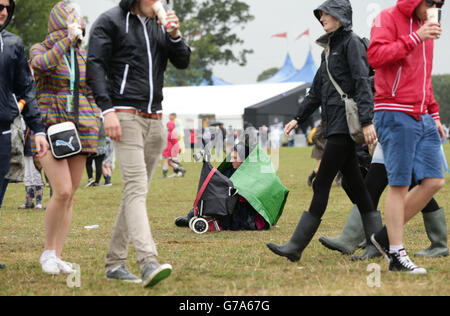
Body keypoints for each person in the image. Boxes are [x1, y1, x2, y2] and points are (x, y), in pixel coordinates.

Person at [266, 0, 382, 263]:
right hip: (333, 126)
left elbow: (363, 82)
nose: (322, 18)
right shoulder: (328, 49)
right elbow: (317, 90)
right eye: (320, 15)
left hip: (345, 126)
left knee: (321, 183)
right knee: (357, 186)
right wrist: (297, 118)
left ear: (341, 16)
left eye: (326, 14)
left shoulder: (351, 43)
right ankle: (377, 241)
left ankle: (295, 246)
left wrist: (366, 121)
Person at [87, 0, 191, 287]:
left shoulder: (159, 25)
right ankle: (148, 261)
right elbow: (94, 66)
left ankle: (115, 262)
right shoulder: (110, 21)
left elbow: (182, 61)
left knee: (136, 191)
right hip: (124, 115)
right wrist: (107, 111)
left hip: (155, 118)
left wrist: (174, 35)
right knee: (135, 188)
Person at [366, 0, 445, 274]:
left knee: (434, 181)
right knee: (398, 185)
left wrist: (434, 113)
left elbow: (424, 75)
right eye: (431, 1)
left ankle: (385, 236)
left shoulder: (427, 26)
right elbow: (374, 57)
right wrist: (415, 37)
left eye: (441, 2)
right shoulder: (386, 18)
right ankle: (396, 255)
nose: (436, 6)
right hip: (394, 110)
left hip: (422, 113)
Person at [30, 1, 101, 275]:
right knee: (60, 190)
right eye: (72, 19)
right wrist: (65, 41)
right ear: (60, 22)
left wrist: (93, 114)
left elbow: (92, 89)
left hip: (82, 129)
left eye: (79, 20)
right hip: (50, 128)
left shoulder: (82, 56)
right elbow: (41, 66)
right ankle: (48, 252)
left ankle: (58, 256)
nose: (78, 23)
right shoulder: (42, 49)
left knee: (70, 195)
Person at [319, 143, 448, 259]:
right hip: (389, 133)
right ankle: (353, 239)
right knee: (372, 187)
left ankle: (439, 244)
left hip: (401, 131)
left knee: (413, 185)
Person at [0, 0, 49, 269]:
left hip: (3, 132)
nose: (4, 12)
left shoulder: (13, 44)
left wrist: (38, 128)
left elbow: (26, 89)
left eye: (7, 6)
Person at [175, 145, 269, 231]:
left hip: (238, 210)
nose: (232, 160)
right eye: (231, 157)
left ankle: (195, 219)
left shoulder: (251, 175)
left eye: (235, 158)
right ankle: (191, 217)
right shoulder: (230, 170)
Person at [18, 124, 46, 210]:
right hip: (25, 147)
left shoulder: (34, 119)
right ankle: (29, 201)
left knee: (36, 175)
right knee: (27, 176)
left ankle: (39, 202)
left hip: (34, 148)